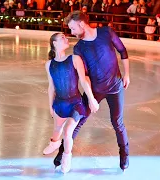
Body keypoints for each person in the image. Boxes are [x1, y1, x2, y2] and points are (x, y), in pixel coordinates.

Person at [53, 10, 130, 171]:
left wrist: (127, 74)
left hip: (115, 87)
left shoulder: (106, 32)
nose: (72, 33)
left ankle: (125, 154)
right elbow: (85, 76)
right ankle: (62, 153)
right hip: (95, 90)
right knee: (78, 121)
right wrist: (91, 98)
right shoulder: (79, 48)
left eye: (73, 28)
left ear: (81, 24)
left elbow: (122, 51)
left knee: (118, 123)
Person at [43, 33, 99, 173]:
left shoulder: (74, 59)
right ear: (54, 43)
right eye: (62, 38)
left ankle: (66, 157)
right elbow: (51, 87)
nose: (66, 39)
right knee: (57, 129)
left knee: (67, 132)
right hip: (59, 103)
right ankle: (54, 143)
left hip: (75, 103)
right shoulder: (49, 64)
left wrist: (91, 99)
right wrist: (50, 106)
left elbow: (83, 80)